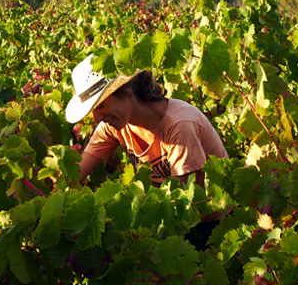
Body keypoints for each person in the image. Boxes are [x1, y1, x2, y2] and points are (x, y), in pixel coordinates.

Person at [65, 55, 228, 247]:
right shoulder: (114, 126)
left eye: (100, 105)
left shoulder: (179, 125)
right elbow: (76, 174)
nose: (97, 117)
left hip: (209, 224)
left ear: (125, 91)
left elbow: (182, 205)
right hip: (163, 215)